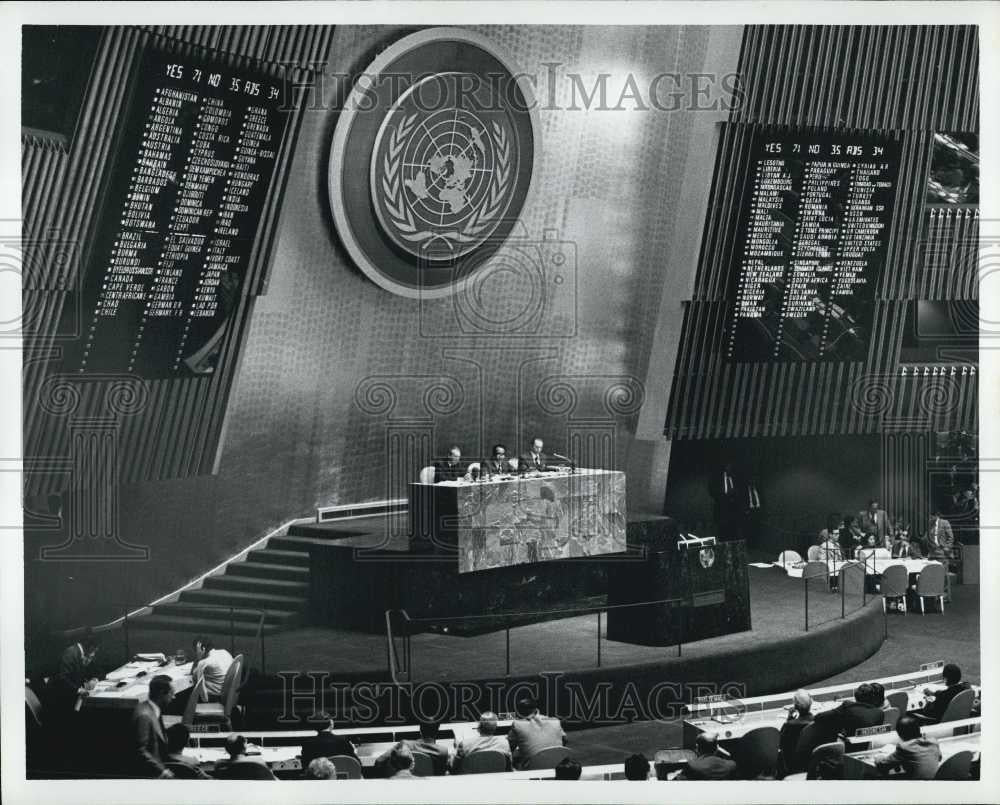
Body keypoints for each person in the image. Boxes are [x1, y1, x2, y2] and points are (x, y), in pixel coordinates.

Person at [132, 674, 175, 778]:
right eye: (171, 694)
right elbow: (141, 751)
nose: (174, 697)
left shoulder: (153, 709)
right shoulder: (144, 716)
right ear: (161, 694)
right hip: (153, 775)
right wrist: (162, 771)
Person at [507, 695, 566, 769]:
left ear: (518, 712)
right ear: (536, 709)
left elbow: (509, 747)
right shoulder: (555, 720)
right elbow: (564, 741)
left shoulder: (517, 724)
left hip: (533, 768)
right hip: (559, 765)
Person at [874, 714, 941, 779]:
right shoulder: (934, 742)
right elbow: (939, 758)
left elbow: (882, 765)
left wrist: (879, 757)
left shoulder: (904, 747)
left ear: (900, 734)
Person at [810, 683, 885, 739]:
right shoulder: (879, 713)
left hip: (848, 746)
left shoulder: (848, 706)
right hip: (869, 745)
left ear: (856, 696)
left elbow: (819, 717)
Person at [778, 690, 814, 775]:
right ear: (811, 703)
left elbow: (780, 744)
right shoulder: (817, 721)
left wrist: (789, 719)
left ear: (795, 706)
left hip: (793, 766)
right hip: (811, 763)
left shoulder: (789, 725)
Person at [708, 463, 740, 541]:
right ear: (725, 468)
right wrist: (724, 496)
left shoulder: (735, 478)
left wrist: (734, 495)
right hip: (722, 510)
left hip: (733, 511)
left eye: (732, 468)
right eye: (729, 467)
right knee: (723, 533)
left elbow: (740, 493)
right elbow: (711, 491)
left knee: (733, 533)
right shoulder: (718, 478)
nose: (730, 469)